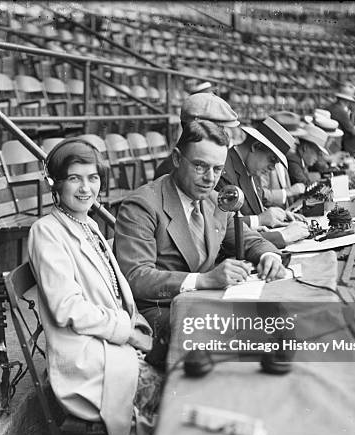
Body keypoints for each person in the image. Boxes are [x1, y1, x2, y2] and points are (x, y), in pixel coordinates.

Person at [27, 139, 163, 435]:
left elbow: (116, 294)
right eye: (74, 179)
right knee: (170, 393)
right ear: (55, 184)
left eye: (92, 178)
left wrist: (133, 324)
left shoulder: (88, 225)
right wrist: (125, 331)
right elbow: (66, 307)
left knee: (180, 372)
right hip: (85, 359)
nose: (86, 188)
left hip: (108, 345)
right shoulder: (46, 231)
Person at [114, 120, 286, 369]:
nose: (210, 179)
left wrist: (269, 256)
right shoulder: (142, 205)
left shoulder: (215, 200)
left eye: (217, 169)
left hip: (207, 303)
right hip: (162, 312)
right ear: (176, 158)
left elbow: (249, 240)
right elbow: (136, 278)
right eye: (199, 166)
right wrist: (203, 280)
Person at [218, 116, 310, 249]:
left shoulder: (250, 168)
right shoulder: (223, 172)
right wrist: (261, 221)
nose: (273, 167)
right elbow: (222, 227)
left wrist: (277, 216)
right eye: (272, 159)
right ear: (255, 146)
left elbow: (253, 207)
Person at [154, 92, 240, 179]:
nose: (222, 135)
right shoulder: (169, 172)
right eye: (218, 129)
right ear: (197, 128)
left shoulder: (215, 163)